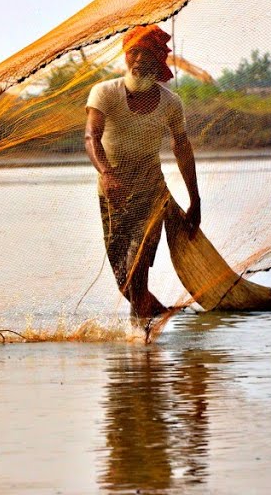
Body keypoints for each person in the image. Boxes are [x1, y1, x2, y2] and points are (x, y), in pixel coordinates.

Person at [85, 24, 201, 320]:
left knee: (139, 264)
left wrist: (195, 199)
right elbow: (91, 137)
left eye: (146, 54)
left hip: (152, 192)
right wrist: (107, 174)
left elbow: (182, 147)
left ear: (158, 60)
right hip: (114, 194)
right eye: (133, 52)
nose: (138, 60)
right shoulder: (105, 93)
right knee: (123, 279)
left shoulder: (171, 103)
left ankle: (141, 336)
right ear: (125, 56)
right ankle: (159, 315)